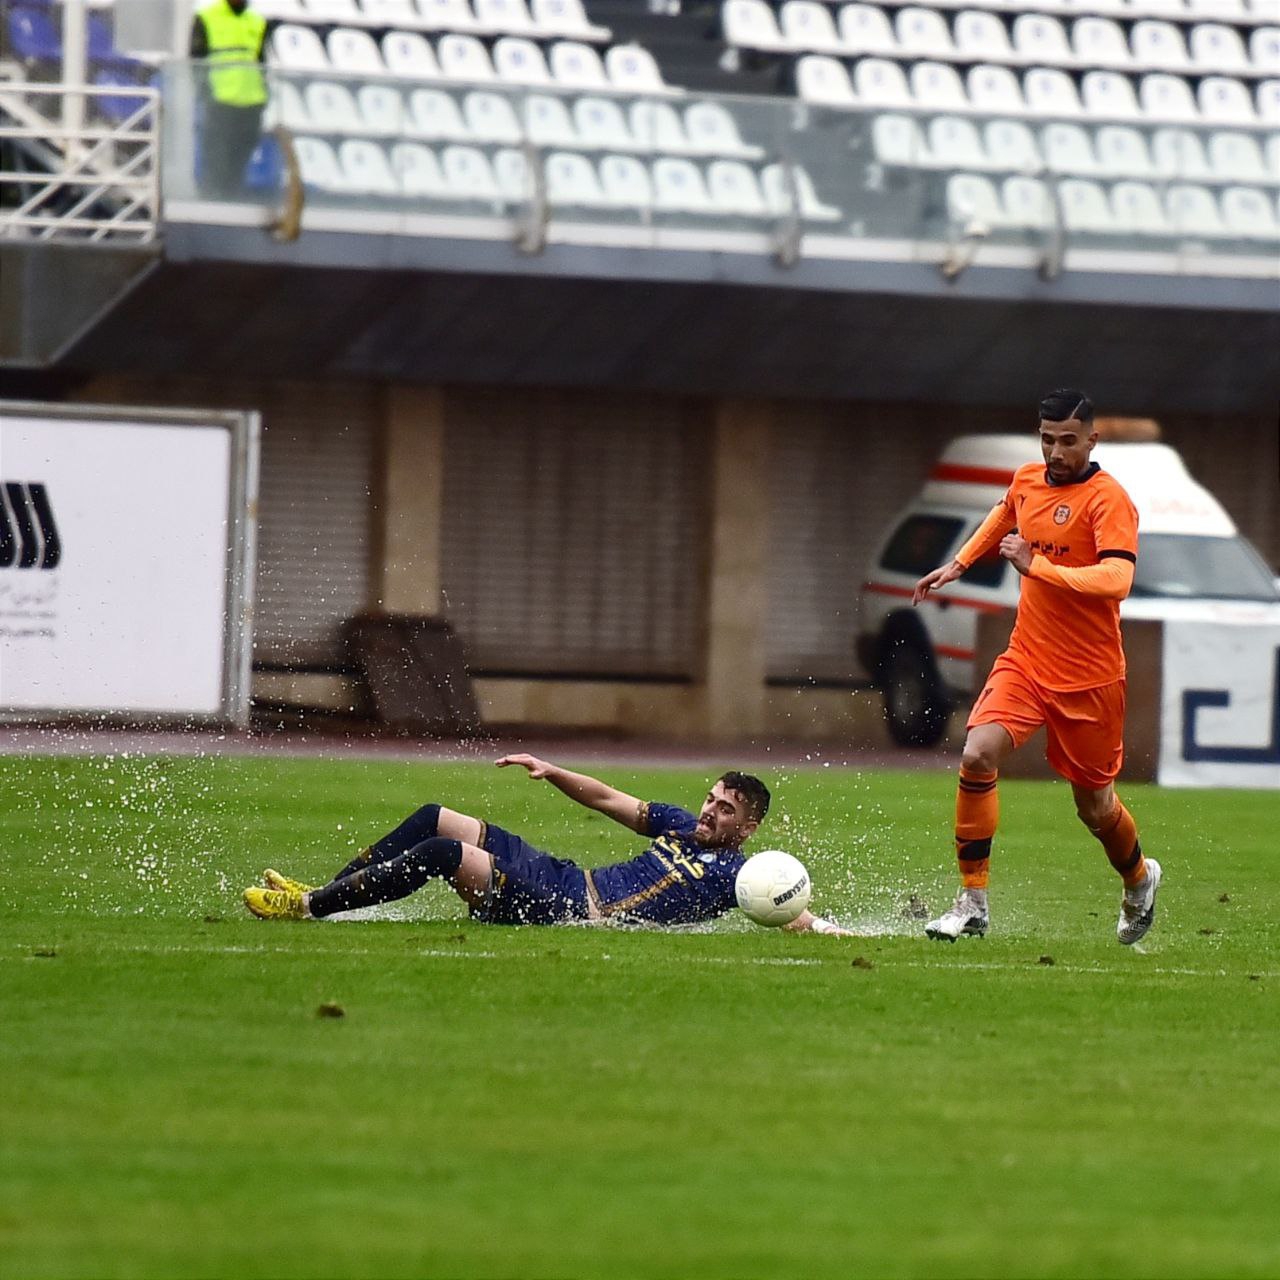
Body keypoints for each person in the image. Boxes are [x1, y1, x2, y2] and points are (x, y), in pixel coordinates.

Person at [911, 389, 1162, 945]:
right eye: (1047, 439)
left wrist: (1038, 566)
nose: (1055, 451)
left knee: (1095, 808)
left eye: (1068, 441)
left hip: (1091, 678)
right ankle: (972, 901)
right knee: (977, 753)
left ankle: (1139, 879)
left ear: (1092, 440)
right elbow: (1006, 513)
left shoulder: (1108, 500)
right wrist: (958, 563)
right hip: (1026, 659)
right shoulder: (1027, 479)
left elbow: (1116, 580)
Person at [242, 754, 850, 935]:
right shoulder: (677, 824)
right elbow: (609, 798)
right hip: (562, 876)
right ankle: (324, 888)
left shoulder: (735, 877)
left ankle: (308, 910)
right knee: (436, 818)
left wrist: (836, 932)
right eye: (712, 799)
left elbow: (788, 908)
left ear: (747, 829)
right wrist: (551, 769)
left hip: (567, 912)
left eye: (726, 810)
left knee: (442, 856)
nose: (711, 811)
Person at [190, 0, 270, 198]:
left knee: (241, 154)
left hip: (251, 100)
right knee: (217, 156)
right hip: (220, 99)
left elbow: (262, 61)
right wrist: (204, 91)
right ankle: (213, 199)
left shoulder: (257, 20)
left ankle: (232, 195)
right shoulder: (207, 17)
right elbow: (195, 59)